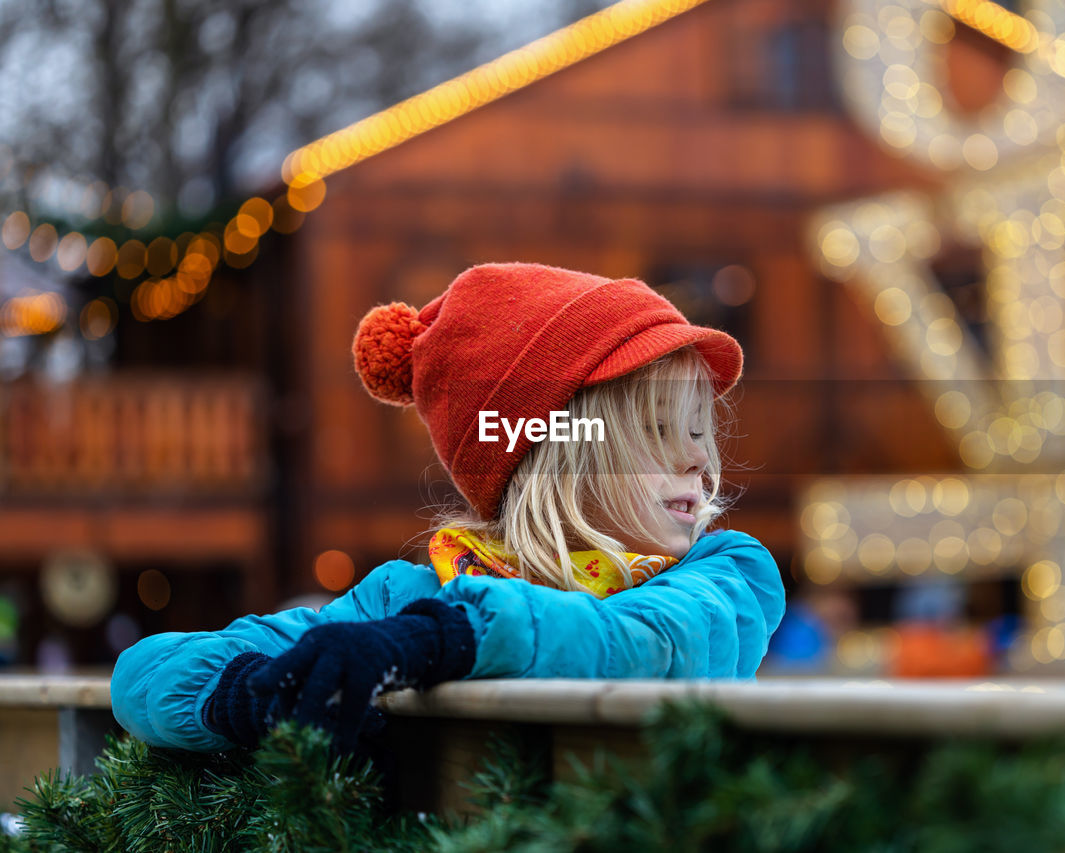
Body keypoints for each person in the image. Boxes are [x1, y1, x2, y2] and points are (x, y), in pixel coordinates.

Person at [110, 262, 786, 755]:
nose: (699, 458)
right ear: (553, 450)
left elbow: (640, 641)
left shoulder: (727, 573)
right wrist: (253, 692)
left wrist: (445, 639)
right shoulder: (409, 597)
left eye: (701, 430)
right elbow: (144, 675)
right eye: (661, 431)